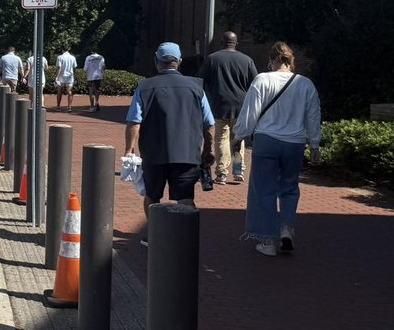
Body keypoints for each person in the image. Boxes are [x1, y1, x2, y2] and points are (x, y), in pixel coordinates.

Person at [233, 42, 321, 257]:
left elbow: (250, 113)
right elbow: (313, 115)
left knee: (263, 190)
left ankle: (267, 240)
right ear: (291, 62)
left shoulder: (262, 80)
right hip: (295, 142)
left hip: (267, 140)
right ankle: (286, 229)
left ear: (271, 61)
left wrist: (240, 136)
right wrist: (315, 144)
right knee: (290, 188)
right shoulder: (305, 84)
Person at [124, 42, 215, 246]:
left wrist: (129, 149)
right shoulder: (196, 87)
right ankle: (185, 237)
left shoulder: (144, 87)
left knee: (152, 195)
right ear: (179, 62)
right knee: (185, 197)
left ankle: (155, 234)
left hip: (154, 153)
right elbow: (209, 124)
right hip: (187, 152)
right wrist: (208, 151)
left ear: (157, 62)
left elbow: (134, 122)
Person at [197, 31, 258, 184]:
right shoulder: (247, 60)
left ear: (221, 42)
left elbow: (200, 82)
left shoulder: (212, 59)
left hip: (218, 105)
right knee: (238, 138)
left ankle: (222, 173)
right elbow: (255, 83)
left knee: (221, 138)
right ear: (236, 43)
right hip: (241, 106)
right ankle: (238, 171)